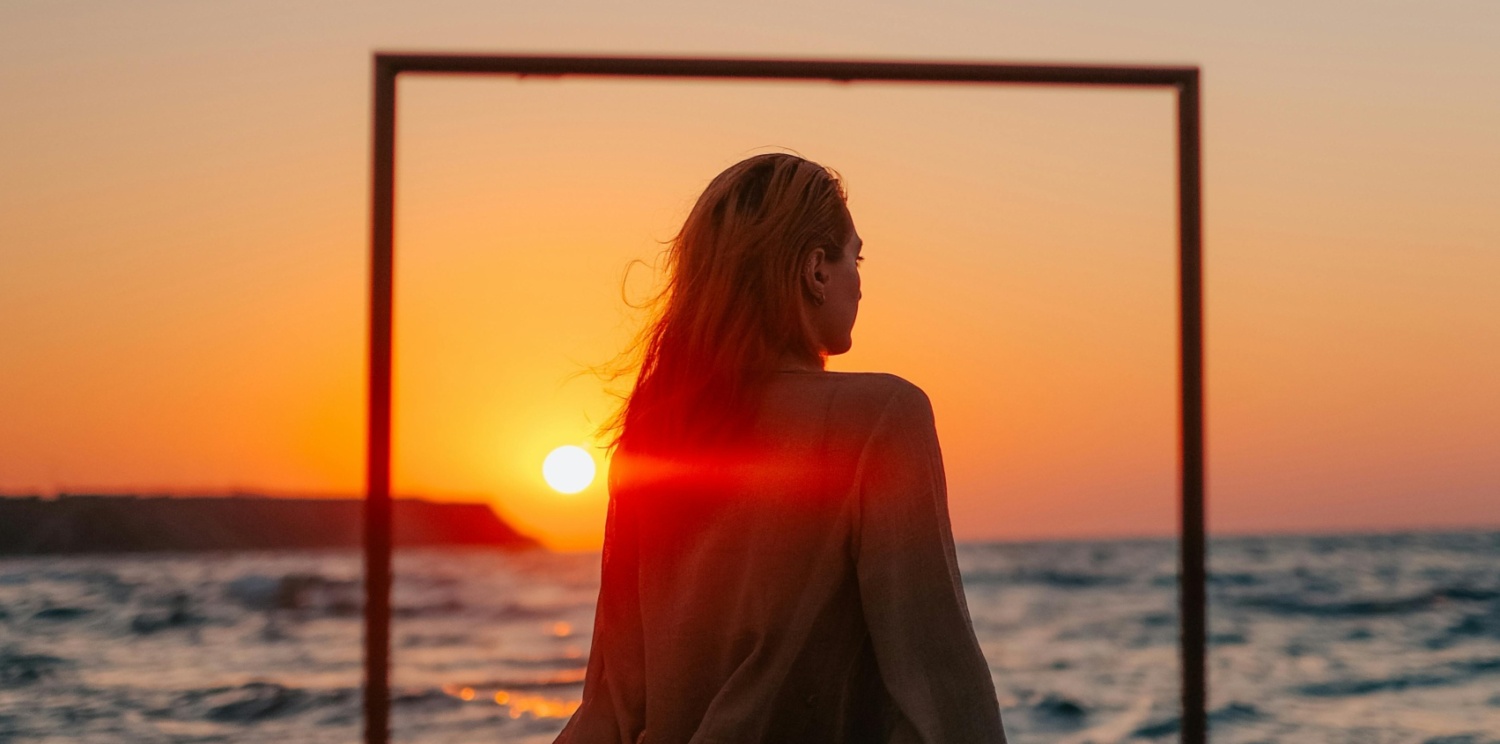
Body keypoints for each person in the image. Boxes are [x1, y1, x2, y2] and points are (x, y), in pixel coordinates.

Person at [554, 153, 1007, 743]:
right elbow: (942, 698)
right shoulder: (881, 418)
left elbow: (611, 710)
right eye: (856, 257)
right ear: (815, 270)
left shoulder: (655, 442)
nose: (861, 282)